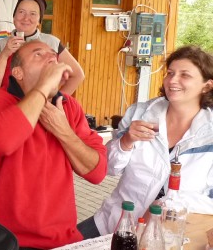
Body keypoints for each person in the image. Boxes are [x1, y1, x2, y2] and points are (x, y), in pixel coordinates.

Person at [0, 40, 106, 250]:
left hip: (61, 241)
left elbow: (97, 172)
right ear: (17, 73)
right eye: (38, 54)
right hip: (5, 242)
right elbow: (2, 142)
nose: (51, 57)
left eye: (52, 53)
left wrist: (63, 130)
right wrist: (43, 87)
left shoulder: (69, 107)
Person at [78, 45, 213, 239]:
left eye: (185, 75)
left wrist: (165, 203)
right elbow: (109, 168)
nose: (172, 80)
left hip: (168, 236)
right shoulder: (140, 113)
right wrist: (126, 141)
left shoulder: (209, 133)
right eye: (170, 73)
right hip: (114, 222)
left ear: (207, 85)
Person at [0, 0, 84, 94]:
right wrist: (5, 53)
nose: (26, 18)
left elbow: (77, 75)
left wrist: (56, 100)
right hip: (7, 102)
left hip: (39, 103)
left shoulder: (51, 43)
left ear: (39, 21)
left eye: (33, 13)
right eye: (21, 12)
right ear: (13, 17)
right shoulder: (1, 45)